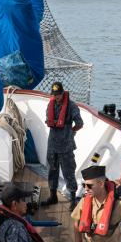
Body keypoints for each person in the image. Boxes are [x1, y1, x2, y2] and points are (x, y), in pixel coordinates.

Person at [41, 81, 83, 211]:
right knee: (52, 170)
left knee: (68, 171)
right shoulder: (51, 104)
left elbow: (80, 123)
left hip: (66, 145)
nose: (57, 97)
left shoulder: (71, 106)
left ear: (62, 93)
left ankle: (72, 198)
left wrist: (71, 132)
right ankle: (53, 196)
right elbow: (48, 118)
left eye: (58, 95)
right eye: (54, 95)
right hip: (52, 144)